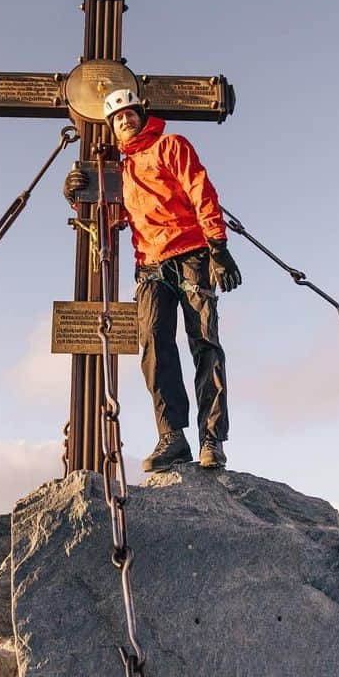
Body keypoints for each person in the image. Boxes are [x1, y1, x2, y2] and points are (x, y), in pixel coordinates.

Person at [64, 88, 241, 472]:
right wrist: (75, 194)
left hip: (192, 255)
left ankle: (212, 439)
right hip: (149, 267)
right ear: (112, 127)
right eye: (117, 118)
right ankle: (172, 437)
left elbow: (200, 189)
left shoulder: (171, 146)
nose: (124, 120)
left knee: (205, 343)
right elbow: (111, 221)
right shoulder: (121, 170)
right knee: (154, 347)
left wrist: (218, 246)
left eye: (129, 114)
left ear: (141, 116)